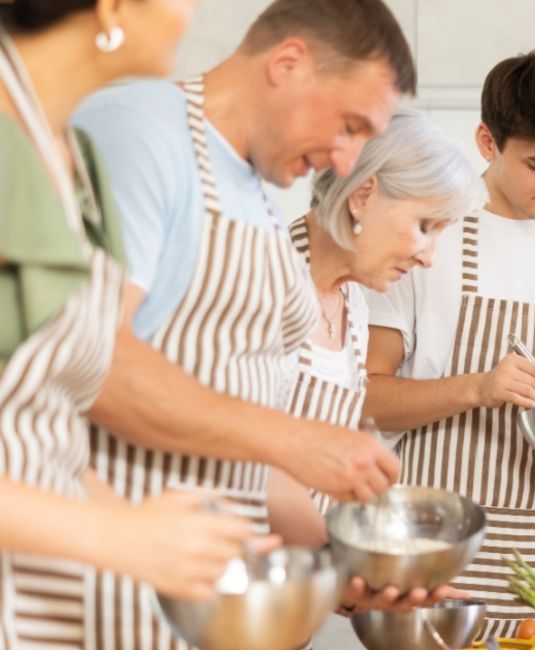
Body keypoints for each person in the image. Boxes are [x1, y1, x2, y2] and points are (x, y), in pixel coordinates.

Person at [70, 0, 417, 646]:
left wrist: (344, 566)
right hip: (115, 600)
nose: (346, 162)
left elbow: (244, 460)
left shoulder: (257, 199)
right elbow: (92, 362)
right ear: (288, 64)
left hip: (215, 605)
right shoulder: (139, 133)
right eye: (348, 125)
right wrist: (292, 438)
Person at [0, 0, 265, 646]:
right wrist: (116, 536)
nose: (192, 14)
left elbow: (44, 436)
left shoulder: (76, 162)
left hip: (44, 604)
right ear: (113, 6)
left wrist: (185, 550)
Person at [363, 48, 535, 636]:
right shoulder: (422, 235)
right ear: (487, 141)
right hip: (435, 551)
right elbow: (364, 395)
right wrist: (479, 387)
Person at [267, 107, 487, 616]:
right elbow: (243, 464)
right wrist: (341, 573)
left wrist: (367, 572)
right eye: (425, 226)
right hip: (223, 597)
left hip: (293, 603)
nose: (429, 256)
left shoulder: (353, 306)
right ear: (364, 194)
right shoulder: (266, 280)